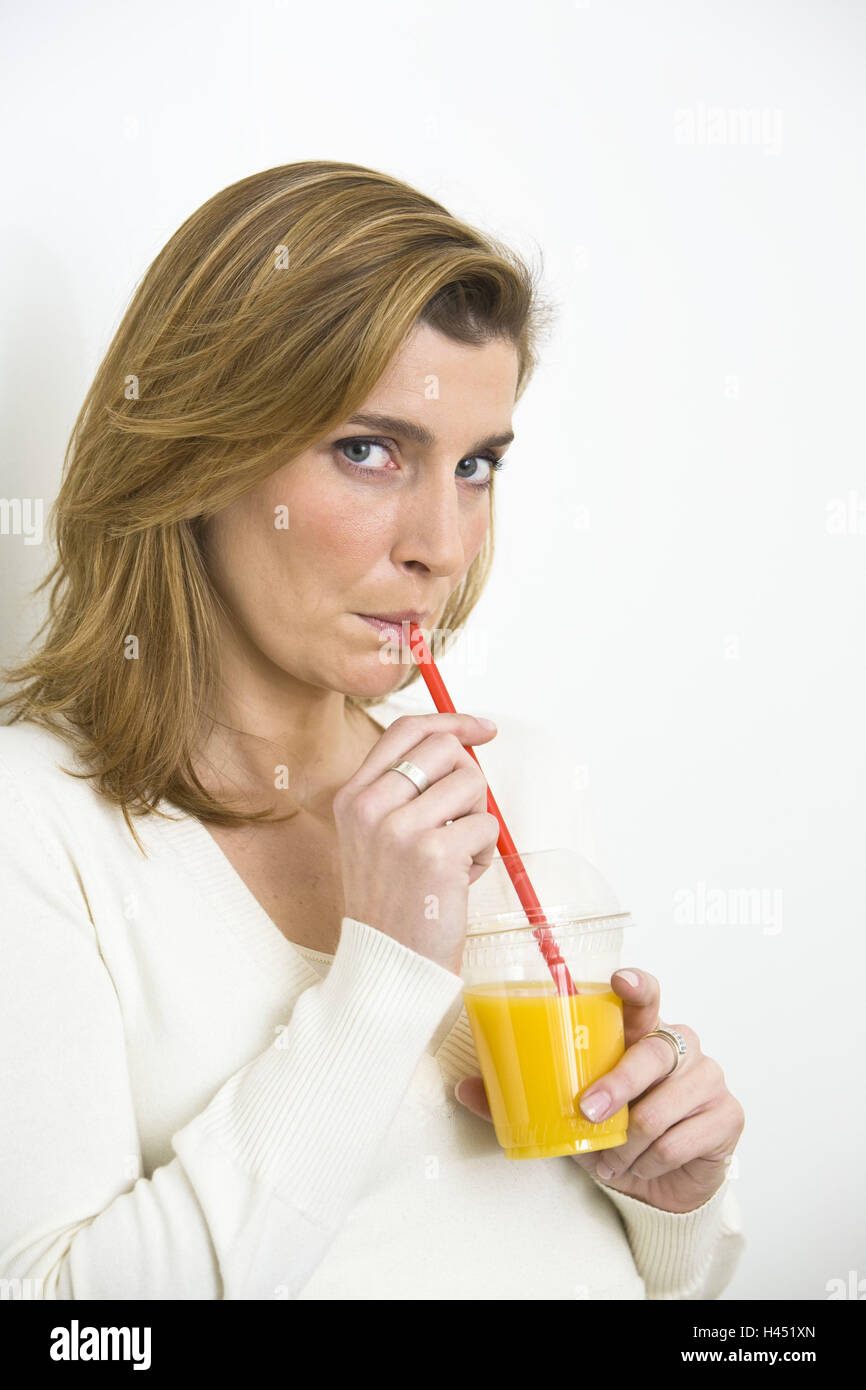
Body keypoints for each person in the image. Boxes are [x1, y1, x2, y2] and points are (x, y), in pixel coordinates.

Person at [0, 160, 745, 1300]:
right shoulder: (38, 826)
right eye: (369, 450)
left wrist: (671, 1201)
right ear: (198, 455)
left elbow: (672, 1296)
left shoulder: (518, 784)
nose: (440, 546)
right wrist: (385, 977)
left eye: (476, 465)